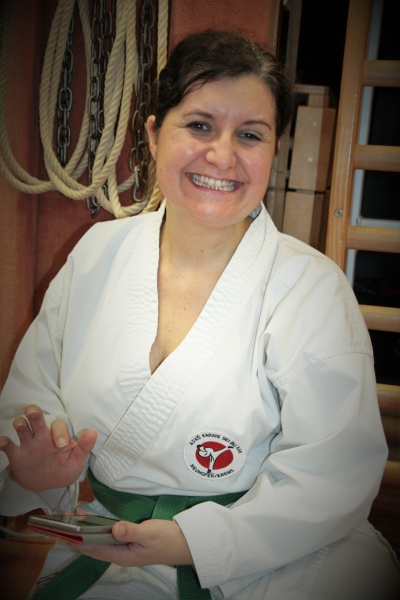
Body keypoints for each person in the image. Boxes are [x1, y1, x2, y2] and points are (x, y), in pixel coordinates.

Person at [0, 30, 399, 600]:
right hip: (112, 541)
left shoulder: (311, 290)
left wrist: (195, 542)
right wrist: (34, 470)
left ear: (273, 151)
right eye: (200, 125)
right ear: (153, 134)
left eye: (251, 135)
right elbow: (30, 404)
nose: (222, 156)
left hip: (273, 557)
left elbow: (334, 475)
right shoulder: (96, 255)